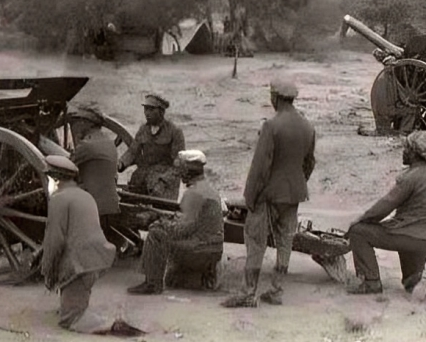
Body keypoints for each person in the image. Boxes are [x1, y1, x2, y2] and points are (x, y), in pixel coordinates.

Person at [222, 78, 316, 308]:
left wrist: (250, 197)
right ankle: (276, 291)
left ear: (275, 98)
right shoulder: (308, 127)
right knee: (285, 242)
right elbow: (309, 163)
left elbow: (260, 167)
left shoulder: (271, 126)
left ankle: (248, 293)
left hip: (269, 194)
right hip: (293, 194)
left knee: (255, 240)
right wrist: (297, 182)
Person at [345, 130, 426, 297]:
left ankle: (370, 281)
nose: (403, 152)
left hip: (406, 235)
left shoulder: (409, 177)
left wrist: (360, 219)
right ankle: (419, 280)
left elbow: (385, 206)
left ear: (414, 153)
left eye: (406, 149)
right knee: (410, 283)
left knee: (358, 232)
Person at [127, 150, 224, 294]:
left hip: (201, 249)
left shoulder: (193, 194)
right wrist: (162, 215)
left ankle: (152, 283)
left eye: (181, 170)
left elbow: (182, 230)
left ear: (187, 172)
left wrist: (159, 222)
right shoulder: (206, 188)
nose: (179, 174)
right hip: (213, 247)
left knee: (155, 234)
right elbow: (189, 220)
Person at [40, 154, 117, 333]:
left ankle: (107, 324)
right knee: (72, 304)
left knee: (69, 320)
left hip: (78, 266)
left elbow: (54, 241)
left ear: (55, 180)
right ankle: (78, 305)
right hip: (97, 259)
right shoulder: (85, 195)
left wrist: (47, 272)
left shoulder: (58, 199)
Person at [118, 94, 186, 200]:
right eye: (145, 109)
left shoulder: (174, 132)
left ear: (161, 111)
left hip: (164, 186)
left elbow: (179, 165)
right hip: (142, 179)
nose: (147, 113)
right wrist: (121, 163)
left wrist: (163, 181)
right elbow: (132, 152)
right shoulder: (143, 130)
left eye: (151, 109)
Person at [67, 106, 120, 238]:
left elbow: (65, 167)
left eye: (79, 121)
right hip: (109, 203)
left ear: (87, 123)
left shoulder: (87, 145)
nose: (76, 125)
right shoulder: (108, 142)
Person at [369, 55, 418, 136]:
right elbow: (384, 101)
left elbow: (399, 94)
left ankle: (399, 128)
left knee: (407, 108)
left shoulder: (386, 76)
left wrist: (405, 103)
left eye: (393, 66)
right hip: (385, 111)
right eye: (391, 66)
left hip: (384, 110)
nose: (392, 68)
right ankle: (404, 132)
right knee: (412, 110)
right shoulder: (386, 79)